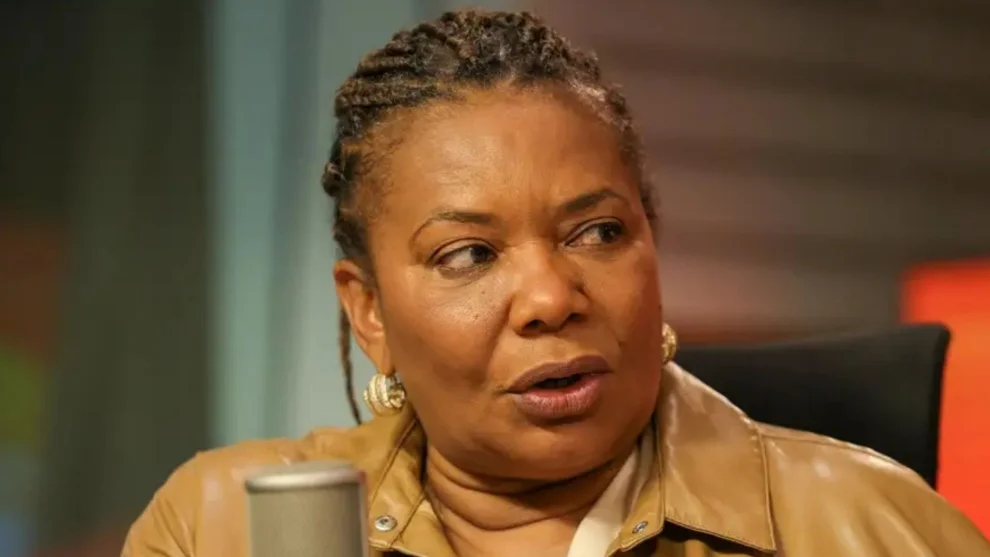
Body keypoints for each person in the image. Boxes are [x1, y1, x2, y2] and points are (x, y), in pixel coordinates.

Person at [122, 9, 989, 557]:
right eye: (468, 254)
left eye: (598, 232)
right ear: (369, 311)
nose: (550, 297)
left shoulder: (881, 531)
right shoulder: (219, 529)